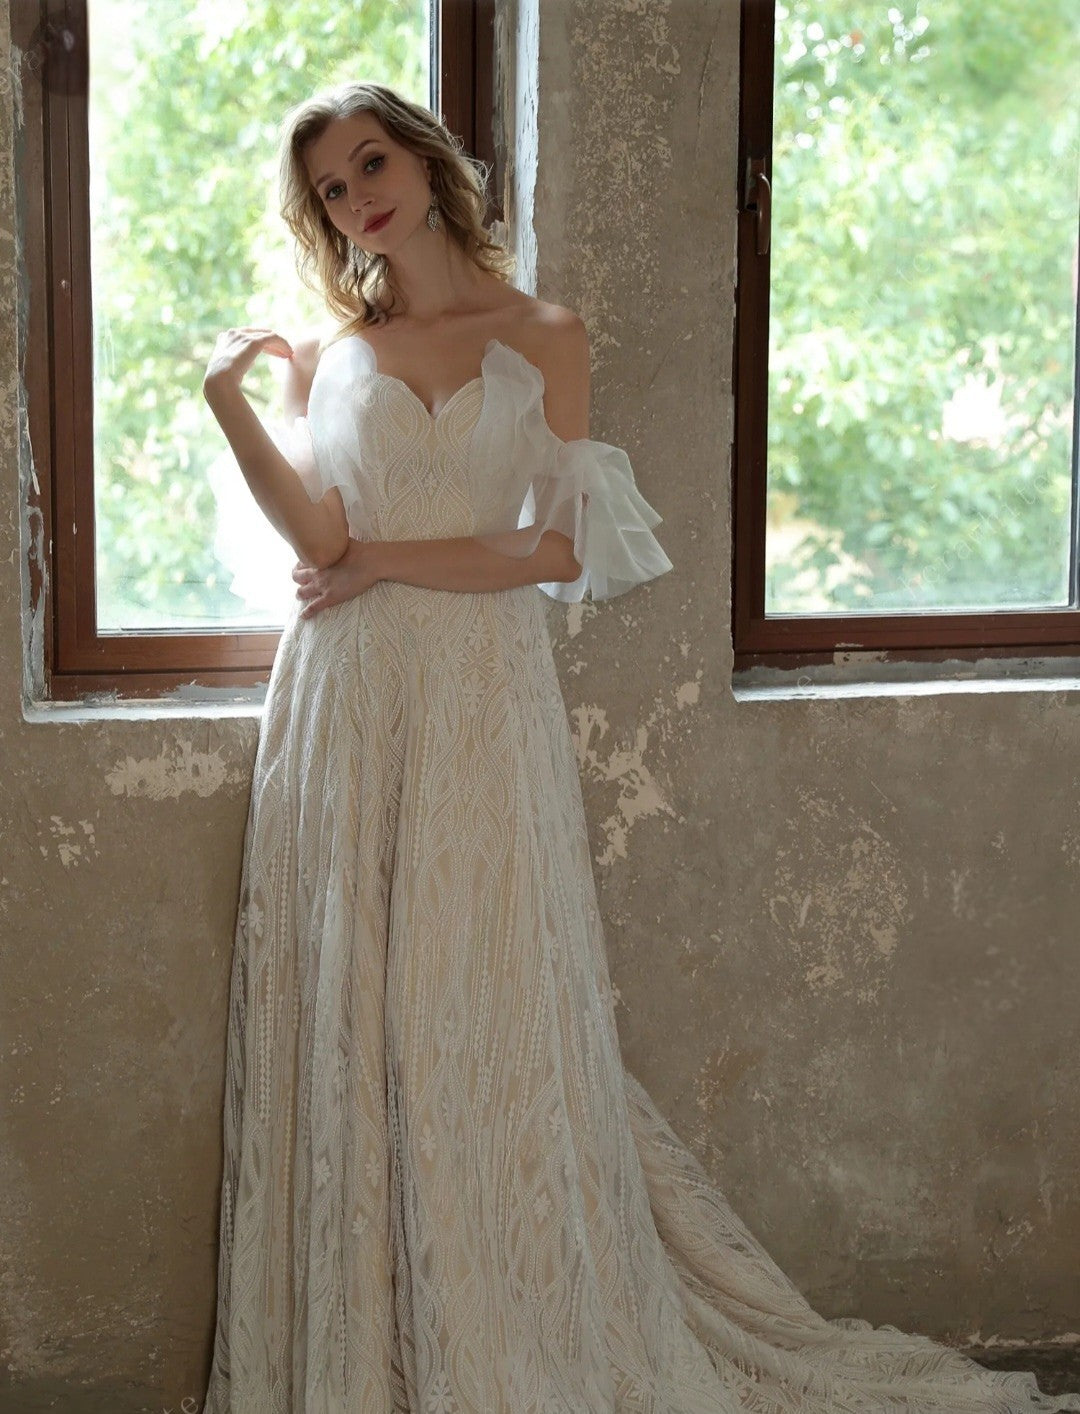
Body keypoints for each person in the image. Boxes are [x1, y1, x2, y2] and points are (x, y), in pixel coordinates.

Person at [198, 81, 1078, 1413]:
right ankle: (378, 1341)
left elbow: (560, 549)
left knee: (475, 998)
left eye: (371, 161)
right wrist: (231, 403)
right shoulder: (338, 354)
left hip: (484, 697)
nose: (356, 196)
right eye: (329, 187)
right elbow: (322, 553)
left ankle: (511, 1332)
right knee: (362, 1002)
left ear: (426, 165)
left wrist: (384, 556)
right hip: (353, 697)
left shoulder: (544, 331)